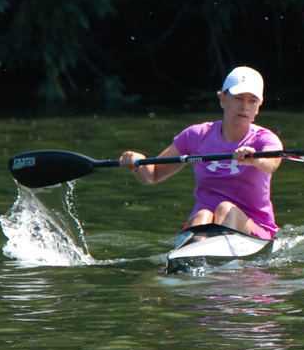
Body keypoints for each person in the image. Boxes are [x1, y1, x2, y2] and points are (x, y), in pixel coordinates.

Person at [119, 66, 283, 239]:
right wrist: (137, 164)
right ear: (222, 99)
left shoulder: (265, 139)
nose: (244, 107)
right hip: (202, 225)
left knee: (226, 209)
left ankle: (208, 252)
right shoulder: (196, 135)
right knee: (202, 216)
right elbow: (152, 176)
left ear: (258, 107)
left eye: (252, 101)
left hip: (254, 227)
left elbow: (271, 163)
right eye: (238, 98)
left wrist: (256, 160)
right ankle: (199, 253)